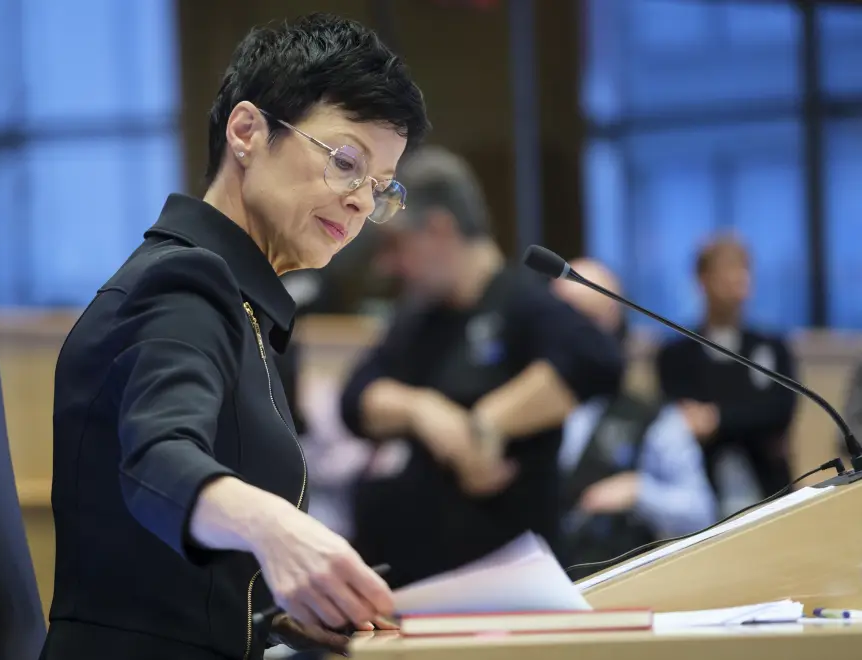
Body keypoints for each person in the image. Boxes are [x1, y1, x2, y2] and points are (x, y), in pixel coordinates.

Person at [39, 14, 429, 660]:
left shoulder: (240, 299)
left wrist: (286, 615)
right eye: (345, 162)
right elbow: (157, 459)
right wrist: (278, 531)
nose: (362, 201)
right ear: (247, 131)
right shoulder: (184, 282)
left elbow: (196, 586)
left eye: (381, 188)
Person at [339, 146, 624, 589]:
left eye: (397, 245)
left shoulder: (522, 303)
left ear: (438, 229)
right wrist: (423, 410)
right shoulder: (418, 319)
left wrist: (487, 424)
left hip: (511, 579)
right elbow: (356, 400)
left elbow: (597, 360)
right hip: (418, 583)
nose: (389, 265)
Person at [551, 259, 716, 578]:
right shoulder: (510, 409)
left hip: (610, 589)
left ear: (615, 327)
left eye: (586, 318)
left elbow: (702, 512)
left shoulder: (651, 417)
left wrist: (640, 492)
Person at [656, 236, 797, 517]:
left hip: (771, 488)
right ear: (702, 279)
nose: (737, 278)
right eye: (726, 268)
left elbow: (778, 411)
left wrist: (718, 418)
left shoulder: (772, 346)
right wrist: (743, 412)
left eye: (743, 268)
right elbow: (684, 420)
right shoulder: (676, 353)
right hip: (701, 495)